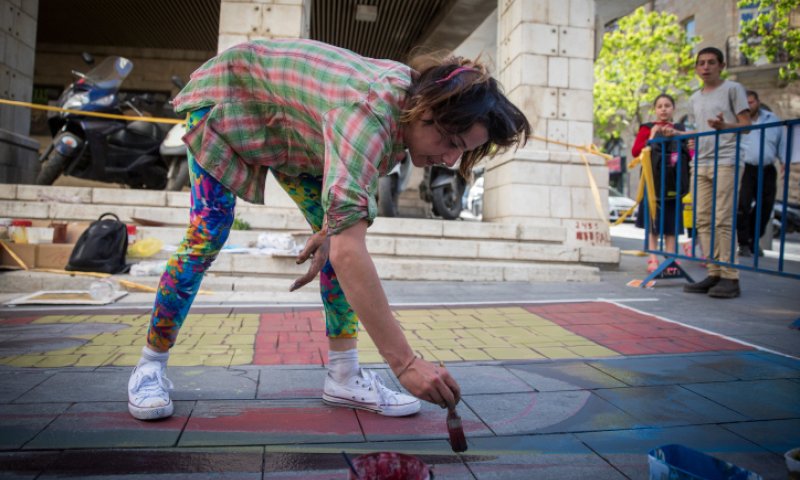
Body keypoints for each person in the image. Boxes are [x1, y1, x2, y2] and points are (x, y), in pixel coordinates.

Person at [126, 39, 531, 421]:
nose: (448, 156)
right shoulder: (368, 115)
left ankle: (343, 376)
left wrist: (331, 232)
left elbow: (345, 235)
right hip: (233, 99)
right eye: (447, 139)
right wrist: (405, 364)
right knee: (210, 231)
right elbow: (350, 250)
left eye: (461, 149)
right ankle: (150, 366)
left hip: (292, 133)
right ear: (424, 108)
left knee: (338, 244)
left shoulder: (403, 107)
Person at [683, 47, 751, 299]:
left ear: (721, 65)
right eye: (701, 63)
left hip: (726, 160)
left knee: (723, 218)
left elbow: (746, 126)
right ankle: (713, 272)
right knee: (702, 218)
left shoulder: (733, 89)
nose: (706, 67)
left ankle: (730, 277)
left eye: (711, 62)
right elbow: (698, 130)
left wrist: (724, 126)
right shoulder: (694, 98)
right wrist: (685, 138)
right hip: (701, 161)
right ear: (696, 68)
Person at [631, 94, 687, 274]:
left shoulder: (679, 128)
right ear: (655, 109)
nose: (663, 109)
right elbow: (635, 152)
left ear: (673, 109)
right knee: (653, 219)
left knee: (671, 219)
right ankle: (653, 256)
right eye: (660, 106)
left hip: (673, 180)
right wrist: (653, 135)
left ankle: (671, 258)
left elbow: (689, 151)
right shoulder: (646, 128)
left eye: (667, 105)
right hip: (651, 180)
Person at [737, 90, 783, 257]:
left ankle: (753, 239)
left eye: (752, 102)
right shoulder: (739, 121)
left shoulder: (772, 119)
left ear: (758, 101)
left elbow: (781, 141)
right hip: (746, 167)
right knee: (742, 204)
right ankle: (743, 242)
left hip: (767, 167)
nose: (749, 106)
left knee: (765, 206)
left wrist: (784, 160)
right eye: (746, 103)